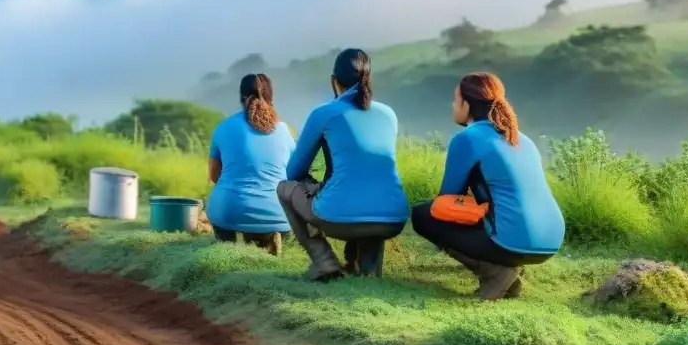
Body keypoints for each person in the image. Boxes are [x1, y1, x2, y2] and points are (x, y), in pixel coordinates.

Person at [411, 72, 565, 300]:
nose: (454, 105)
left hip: (512, 238)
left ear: (467, 104)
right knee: (487, 214)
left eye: (456, 99)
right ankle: (507, 274)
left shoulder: (468, 138)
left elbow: (446, 199)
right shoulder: (523, 139)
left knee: (423, 214)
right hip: (551, 239)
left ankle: (495, 272)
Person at [277, 48, 410, 280]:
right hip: (393, 218)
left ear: (333, 82)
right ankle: (368, 272)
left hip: (340, 216)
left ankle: (324, 261)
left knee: (285, 188)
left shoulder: (325, 113)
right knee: (370, 193)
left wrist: (316, 185)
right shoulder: (388, 114)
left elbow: (293, 172)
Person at [206, 73, 296, 256]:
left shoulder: (223, 128)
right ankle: (267, 240)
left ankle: (232, 249)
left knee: (226, 206)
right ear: (271, 98)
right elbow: (294, 174)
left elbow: (214, 177)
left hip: (228, 212)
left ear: (243, 98)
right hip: (278, 216)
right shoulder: (284, 131)